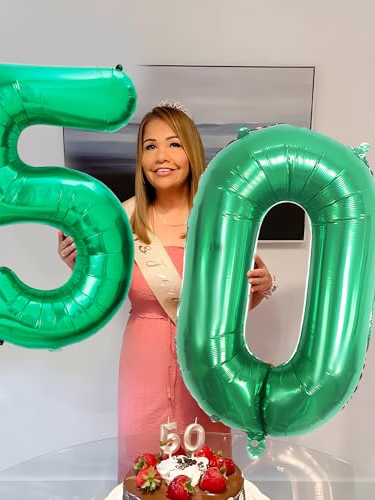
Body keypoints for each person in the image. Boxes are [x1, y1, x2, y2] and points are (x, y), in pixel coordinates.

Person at [58, 103, 276, 474]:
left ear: (191, 152)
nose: (161, 157)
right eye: (149, 146)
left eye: (174, 144)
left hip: (204, 363)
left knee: (208, 471)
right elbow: (100, 298)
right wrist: (78, 269)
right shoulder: (120, 222)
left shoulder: (220, 222)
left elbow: (227, 310)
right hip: (144, 360)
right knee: (143, 469)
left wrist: (262, 287)